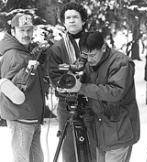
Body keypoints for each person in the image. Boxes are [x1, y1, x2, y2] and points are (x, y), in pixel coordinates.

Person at [75, 31, 140, 162]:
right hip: (100, 129)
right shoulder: (89, 63)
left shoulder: (121, 62)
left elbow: (116, 92)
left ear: (103, 48)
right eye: (85, 55)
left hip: (119, 129)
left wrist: (81, 88)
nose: (89, 59)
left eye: (93, 55)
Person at [47, 2, 90, 162]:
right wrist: (70, 85)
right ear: (64, 22)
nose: (72, 20)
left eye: (75, 17)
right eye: (68, 17)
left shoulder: (95, 43)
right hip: (67, 105)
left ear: (83, 20)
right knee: (69, 149)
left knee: (92, 148)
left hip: (91, 103)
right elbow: (54, 75)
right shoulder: (57, 48)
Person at [0, 13, 46, 162]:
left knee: (36, 159)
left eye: (29, 30)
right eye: (21, 30)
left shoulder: (25, 51)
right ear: (13, 32)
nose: (26, 34)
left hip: (32, 116)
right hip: (21, 118)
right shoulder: (13, 54)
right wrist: (28, 71)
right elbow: (10, 87)